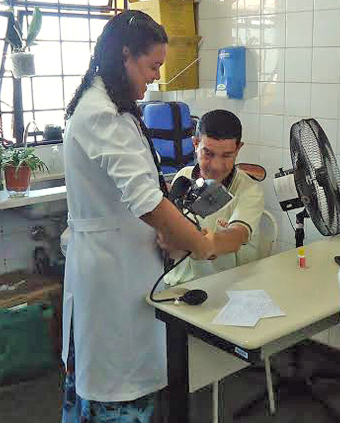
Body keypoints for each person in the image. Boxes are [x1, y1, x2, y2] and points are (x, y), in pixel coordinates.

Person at [61, 10, 216, 423]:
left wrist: (172, 230)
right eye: (151, 67)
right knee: (117, 390)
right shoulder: (100, 113)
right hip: (112, 273)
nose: (154, 78)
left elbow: (145, 186)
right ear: (125, 55)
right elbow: (146, 200)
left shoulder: (112, 106)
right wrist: (200, 243)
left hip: (123, 262)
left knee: (118, 382)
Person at [162, 110, 265, 287]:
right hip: (176, 286)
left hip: (227, 288)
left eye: (227, 155)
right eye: (208, 154)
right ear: (195, 144)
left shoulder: (249, 190)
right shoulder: (184, 176)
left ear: (238, 148)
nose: (217, 166)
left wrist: (207, 244)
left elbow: (238, 234)